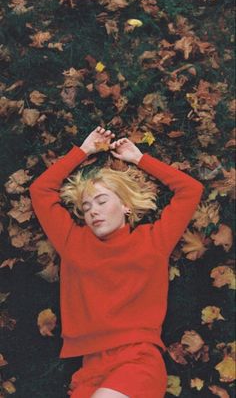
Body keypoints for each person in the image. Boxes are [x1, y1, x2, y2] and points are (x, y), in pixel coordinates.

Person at [29, 126, 204, 398]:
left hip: (138, 360)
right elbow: (41, 190)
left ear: (125, 206)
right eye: (86, 207)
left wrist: (139, 158)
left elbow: (190, 190)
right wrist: (84, 150)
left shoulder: (153, 241)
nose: (93, 211)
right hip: (90, 367)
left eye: (101, 201)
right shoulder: (73, 243)